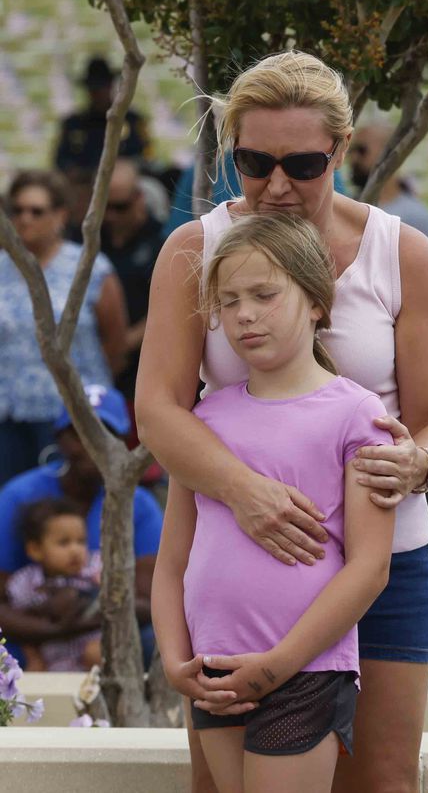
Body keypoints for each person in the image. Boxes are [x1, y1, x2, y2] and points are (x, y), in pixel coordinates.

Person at [136, 50, 428, 793]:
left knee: (381, 780)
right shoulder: (196, 250)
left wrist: (424, 463)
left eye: (304, 162)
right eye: (253, 161)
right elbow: (158, 408)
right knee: (222, 783)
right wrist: (242, 489)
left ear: (343, 150)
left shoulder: (400, 254)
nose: (277, 185)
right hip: (241, 560)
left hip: (384, 563)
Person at [155, 212, 395, 792]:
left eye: (264, 295)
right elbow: (172, 561)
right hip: (213, 670)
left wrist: (278, 665)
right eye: (229, 299)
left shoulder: (357, 414)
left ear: (316, 302)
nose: (244, 314)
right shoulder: (202, 422)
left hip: (305, 669)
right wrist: (172, 660)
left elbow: (370, 567)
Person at [0, 385, 160, 668]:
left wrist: (83, 604)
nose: (92, 443)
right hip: (29, 638)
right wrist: (54, 632)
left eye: (105, 432)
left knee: (151, 640)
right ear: (59, 439)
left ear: (123, 440)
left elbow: (149, 604)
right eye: (79, 432)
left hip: (98, 641)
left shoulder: (140, 503)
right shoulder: (18, 495)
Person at [1, 170, 128, 485]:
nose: (25, 219)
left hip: (70, 417)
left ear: (60, 215)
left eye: (36, 211)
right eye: (17, 210)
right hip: (9, 415)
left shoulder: (89, 268)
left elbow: (115, 344)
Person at [8, 498, 102, 671]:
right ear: (35, 550)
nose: (75, 550)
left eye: (81, 541)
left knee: (95, 652)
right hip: (55, 663)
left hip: (93, 660)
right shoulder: (25, 582)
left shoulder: (95, 568)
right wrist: (34, 658)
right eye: (64, 543)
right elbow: (22, 624)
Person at [102, 159, 165, 401]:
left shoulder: (161, 242)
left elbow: (170, 306)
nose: (111, 216)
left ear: (138, 198)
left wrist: (123, 343)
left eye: (120, 207)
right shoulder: (89, 238)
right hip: (100, 363)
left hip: (142, 363)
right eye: (106, 207)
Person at [346, 119, 428, 262]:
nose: (353, 158)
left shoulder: (419, 219)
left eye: (362, 150)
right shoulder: (345, 209)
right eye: (351, 151)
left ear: (389, 154)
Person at [53, 55, 150, 180]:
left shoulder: (132, 120)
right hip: (82, 184)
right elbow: (61, 160)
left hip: (124, 182)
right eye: (93, 88)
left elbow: (145, 157)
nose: (97, 94)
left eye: (101, 87)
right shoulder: (73, 123)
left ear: (110, 86)